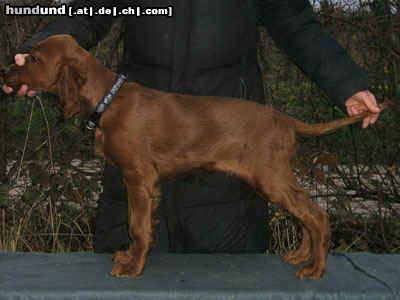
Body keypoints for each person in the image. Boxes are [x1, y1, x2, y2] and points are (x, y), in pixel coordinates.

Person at [3, 0, 381, 254]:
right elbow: (87, 10)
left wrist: (347, 84)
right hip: (136, 131)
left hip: (228, 151)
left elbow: (297, 25)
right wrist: (35, 51)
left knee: (225, 282)